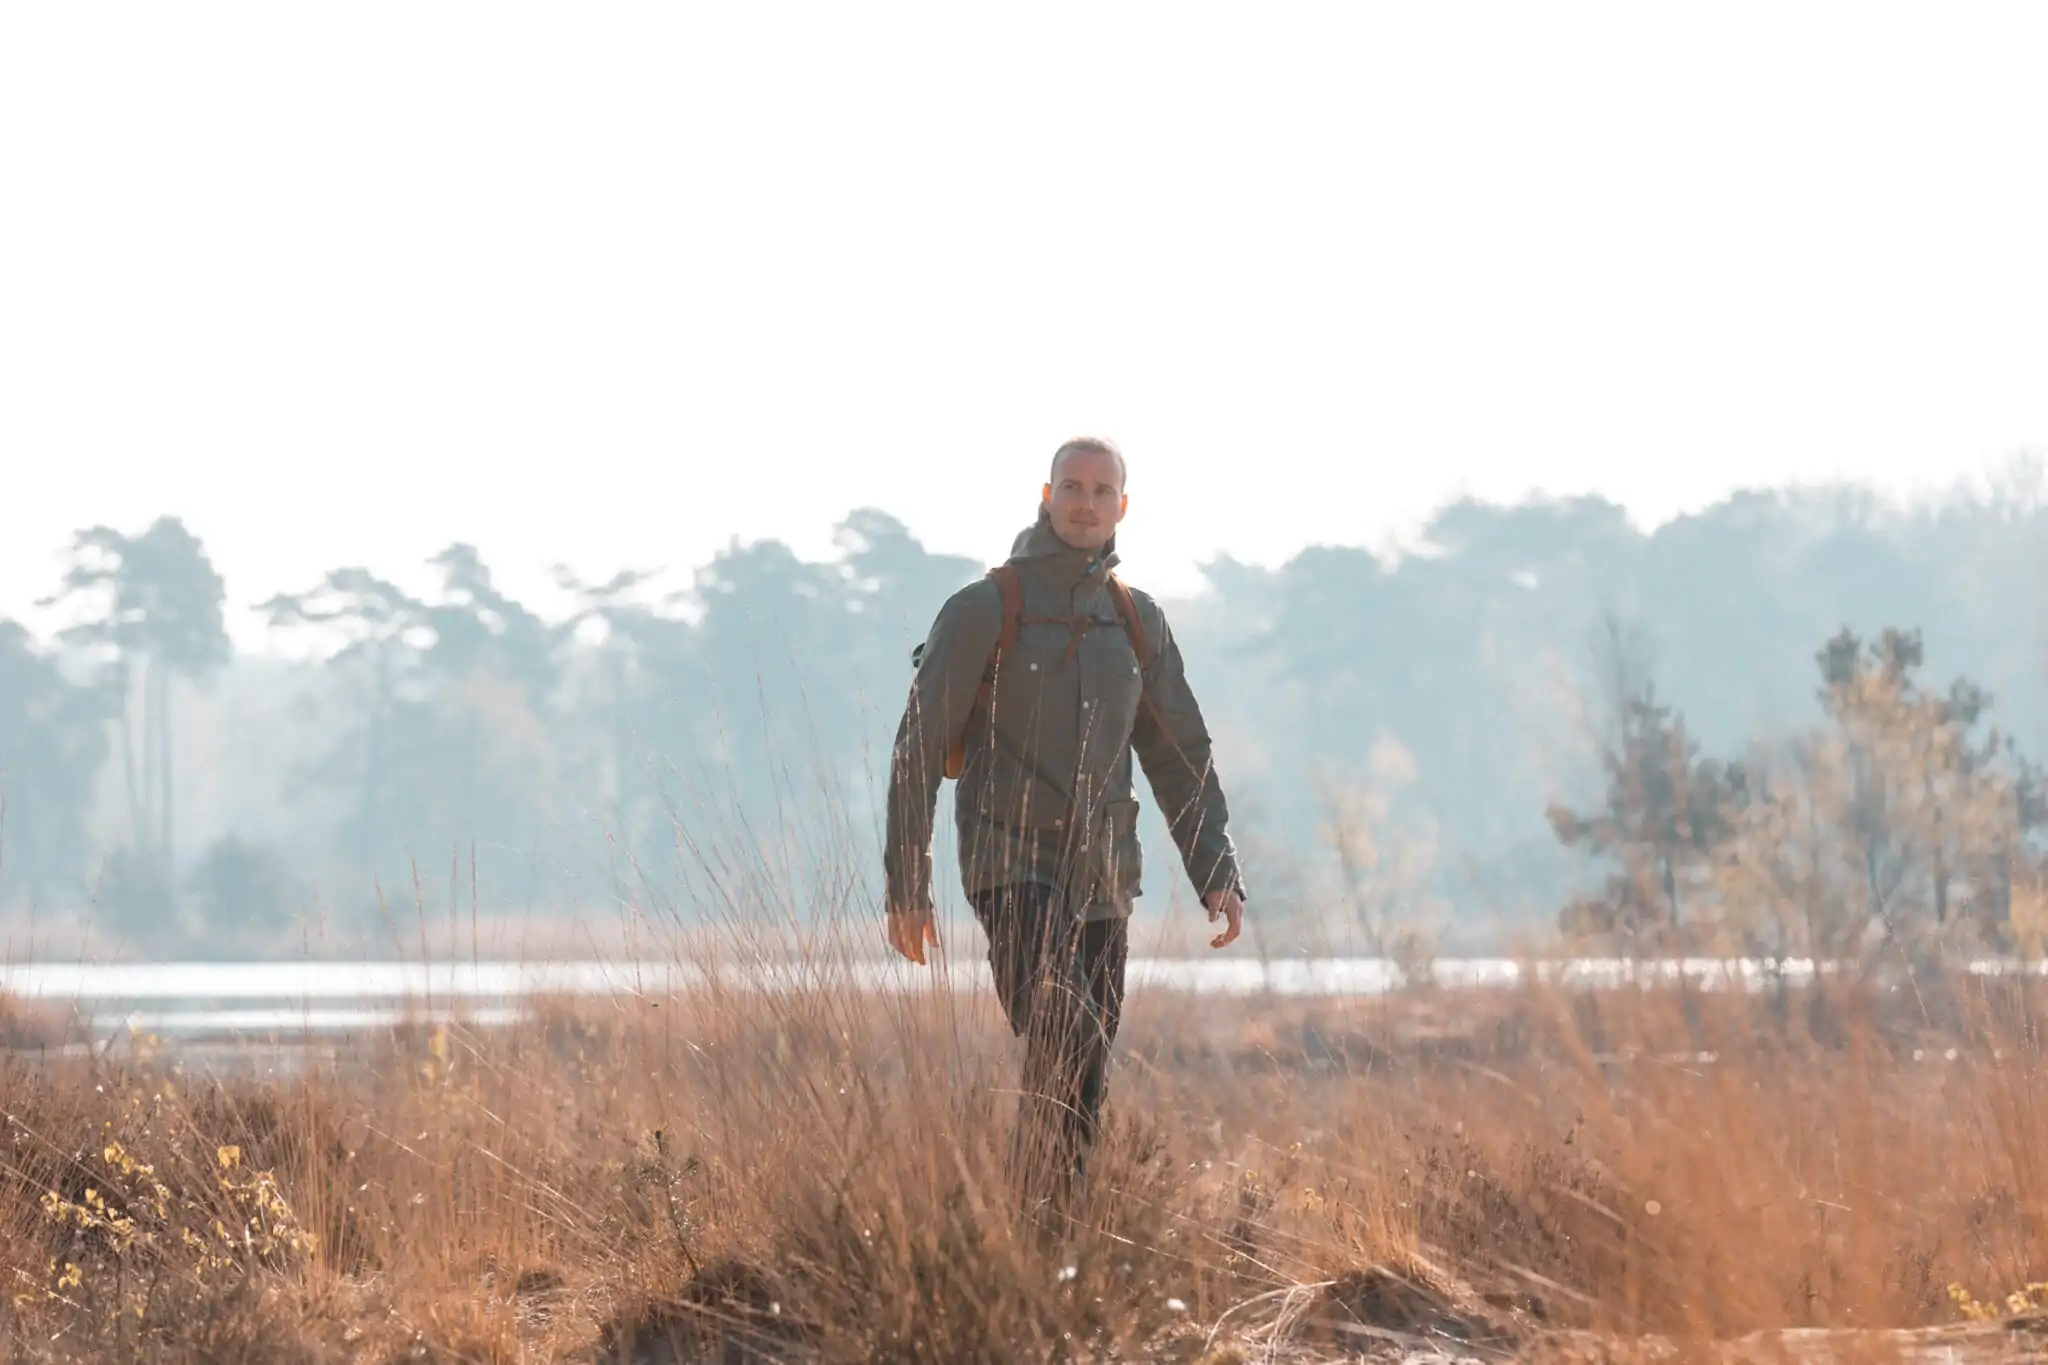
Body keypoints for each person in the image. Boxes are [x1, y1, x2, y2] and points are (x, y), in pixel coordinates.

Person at [882, 435, 1248, 1222]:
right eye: (1071, 487)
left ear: (1123, 505)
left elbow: (1179, 751)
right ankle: (1037, 1226)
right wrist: (906, 886)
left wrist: (1214, 865)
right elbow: (916, 749)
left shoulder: (1135, 618)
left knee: (1078, 1070)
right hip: (1009, 864)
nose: (1085, 503)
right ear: (1045, 496)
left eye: (1101, 490)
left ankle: (1044, 1232)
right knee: (1069, 1030)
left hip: (1105, 876)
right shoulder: (984, 608)